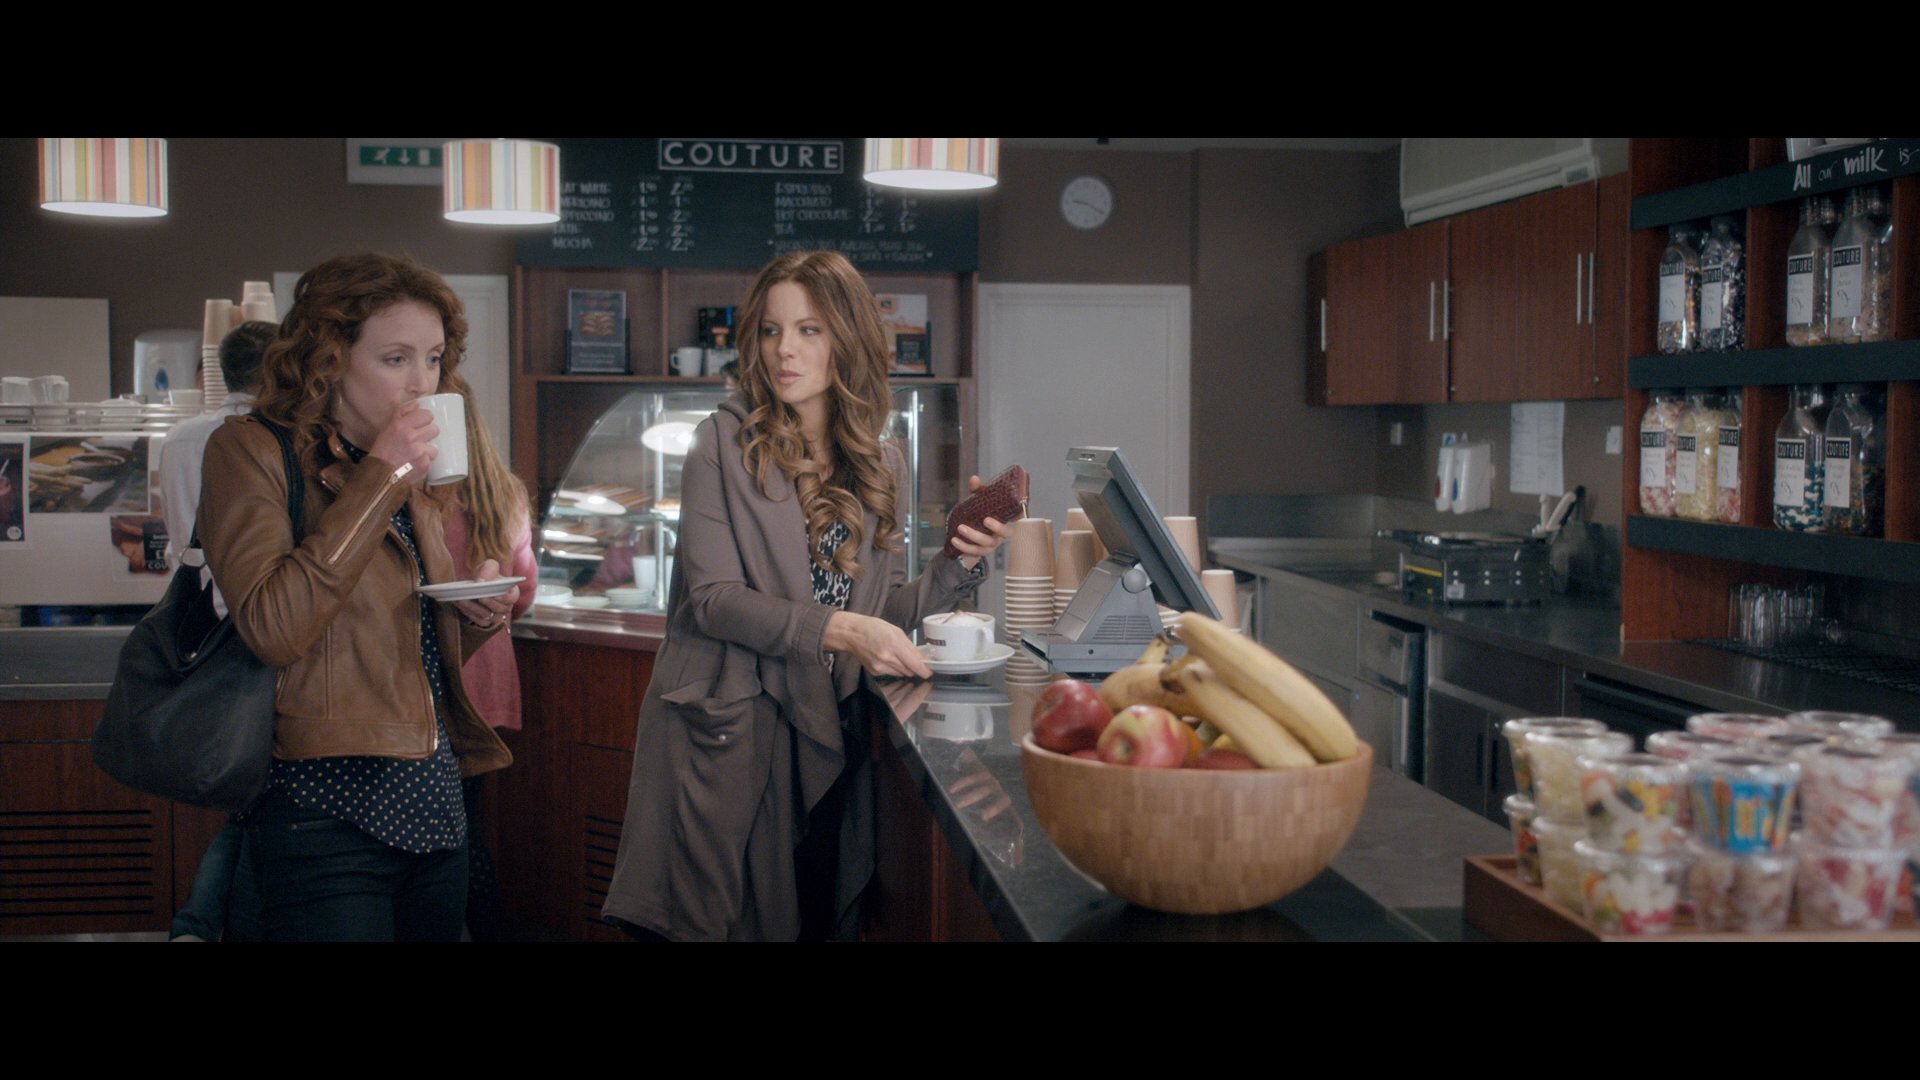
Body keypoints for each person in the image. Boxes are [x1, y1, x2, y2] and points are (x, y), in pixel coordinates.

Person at [600, 250, 1009, 942]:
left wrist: (958, 563)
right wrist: (842, 631)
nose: (783, 349)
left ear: (847, 339)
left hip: (825, 728)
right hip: (732, 733)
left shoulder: (881, 460)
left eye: (808, 330)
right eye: (771, 330)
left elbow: (880, 617)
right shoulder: (720, 442)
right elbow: (713, 600)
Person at [196, 252, 516, 942]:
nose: (422, 381)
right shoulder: (249, 451)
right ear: (330, 359)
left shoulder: (407, 470)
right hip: (323, 808)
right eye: (396, 358)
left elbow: (409, 650)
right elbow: (275, 628)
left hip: (431, 800)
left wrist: (476, 616)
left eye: (433, 358)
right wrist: (383, 477)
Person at [158, 319, 275, 942]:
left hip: (196, 623)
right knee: (258, 795)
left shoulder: (180, 438)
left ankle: (203, 924)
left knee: (248, 792)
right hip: (255, 626)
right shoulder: (264, 437)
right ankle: (200, 922)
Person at [441, 392, 537, 941]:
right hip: (488, 679)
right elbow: (524, 594)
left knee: (449, 839)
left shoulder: (415, 494)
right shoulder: (506, 492)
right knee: (466, 826)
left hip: (439, 679)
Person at [158, 320, 277, 572]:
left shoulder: (177, 439)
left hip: (188, 588)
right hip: (253, 591)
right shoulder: (274, 438)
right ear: (279, 369)